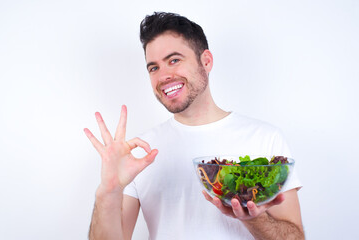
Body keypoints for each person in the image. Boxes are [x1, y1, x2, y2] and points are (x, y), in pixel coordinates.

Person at [84, 12, 304, 240]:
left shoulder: (265, 139)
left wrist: (254, 218)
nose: (164, 76)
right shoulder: (140, 152)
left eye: (174, 60)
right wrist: (108, 191)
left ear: (206, 61)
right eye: (153, 68)